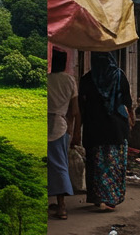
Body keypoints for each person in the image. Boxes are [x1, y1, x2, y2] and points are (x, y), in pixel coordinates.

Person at [79, 51, 133, 212]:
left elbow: (81, 104)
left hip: (94, 127)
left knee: (97, 164)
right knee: (114, 164)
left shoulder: (87, 79)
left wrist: (78, 126)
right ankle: (111, 198)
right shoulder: (118, 76)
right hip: (117, 127)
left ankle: (99, 197)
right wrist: (132, 117)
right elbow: (127, 100)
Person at [47, 49, 79, 220]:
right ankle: (61, 205)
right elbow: (74, 110)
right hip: (61, 125)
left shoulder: (47, 80)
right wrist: (72, 129)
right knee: (60, 165)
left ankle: (60, 205)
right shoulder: (69, 80)